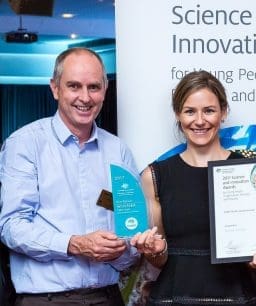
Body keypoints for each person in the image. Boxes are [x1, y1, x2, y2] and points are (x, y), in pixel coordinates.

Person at [0, 47, 140, 306]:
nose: (85, 97)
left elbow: (131, 228)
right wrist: (74, 244)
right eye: (74, 86)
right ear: (55, 88)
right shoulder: (25, 144)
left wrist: (124, 249)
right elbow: (11, 227)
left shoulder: (118, 151)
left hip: (107, 297)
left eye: (94, 87)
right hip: (45, 300)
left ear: (105, 91)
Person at [130, 70, 256, 305]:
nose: (199, 121)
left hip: (237, 298)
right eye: (190, 111)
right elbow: (160, 259)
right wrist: (154, 250)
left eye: (209, 110)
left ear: (224, 112)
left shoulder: (253, 172)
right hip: (173, 298)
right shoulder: (154, 176)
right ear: (178, 114)